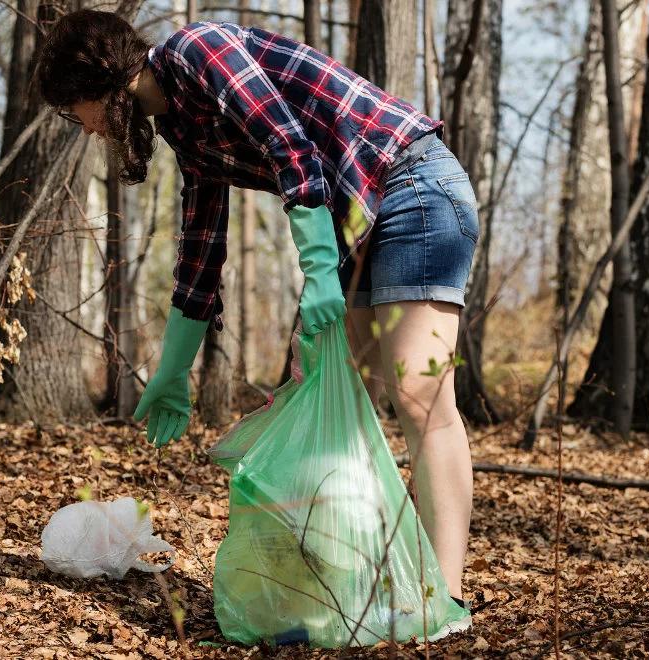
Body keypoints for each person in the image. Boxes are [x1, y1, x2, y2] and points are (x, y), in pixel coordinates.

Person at [35, 9, 477, 636]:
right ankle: (343, 585)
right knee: (327, 389)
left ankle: (446, 600)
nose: (81, 128)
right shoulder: (182, 128)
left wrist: (321, 271)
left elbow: (290, 149)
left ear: (98, 81)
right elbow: (200, 246)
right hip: (358, 215)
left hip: (412, 183)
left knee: (420, 395)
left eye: (72, 110)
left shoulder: (201, 49)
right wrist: (172, 371)